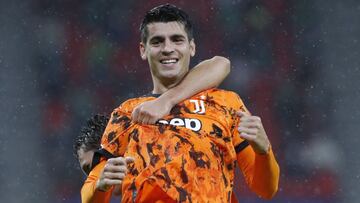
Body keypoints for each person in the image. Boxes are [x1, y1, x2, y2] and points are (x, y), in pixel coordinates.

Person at [81, 4, 279, 203]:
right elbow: (89, 195)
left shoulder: (225, 104)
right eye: (157, 42)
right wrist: (100, 186)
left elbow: (266, 189)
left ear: (191, 47)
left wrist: (263, 151)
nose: (168, 49)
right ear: (143, 50)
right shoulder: (128, 112)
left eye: (177, 40)